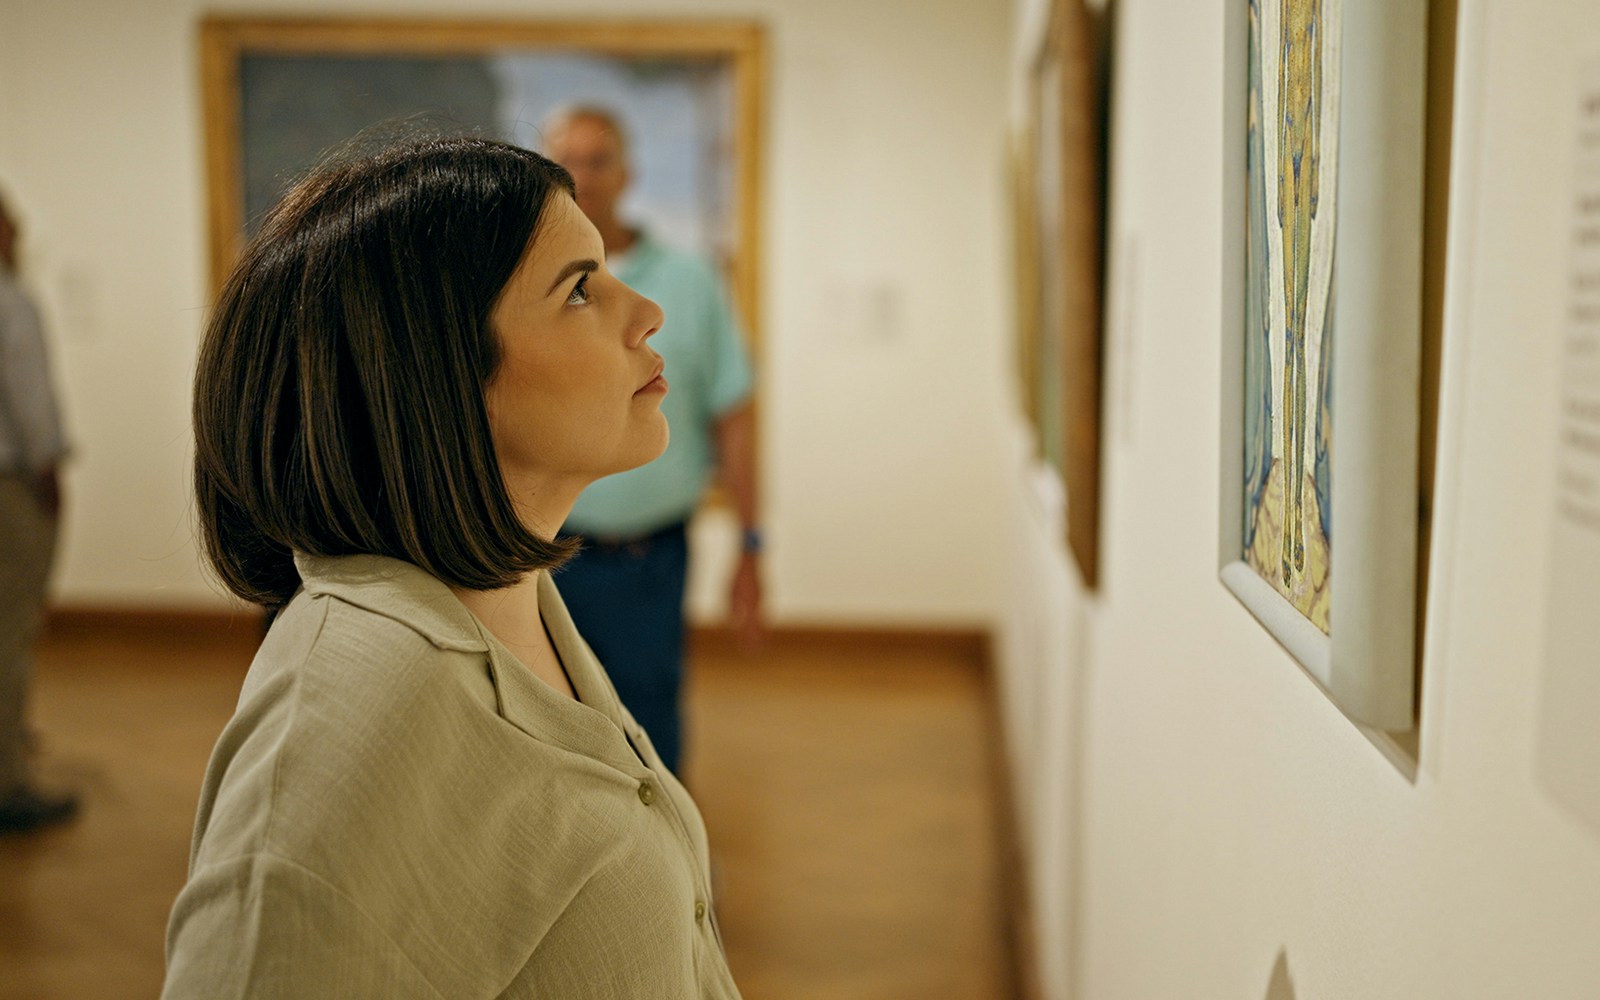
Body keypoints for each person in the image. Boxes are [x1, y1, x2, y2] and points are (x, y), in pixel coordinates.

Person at [162, 135, 741, 998]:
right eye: (579, 289)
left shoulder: (514, 599)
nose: (647, 311)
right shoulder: (349, 717)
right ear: (433, 371)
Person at [542, 106, 762, 776]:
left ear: (628, 173)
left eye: (598, 160)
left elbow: (734, 413)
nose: (584, 177)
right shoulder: (526, 287)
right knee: (550, 729)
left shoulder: (689, 282)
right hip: (544, 556)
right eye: (568, 161)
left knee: (648, 730)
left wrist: (752, 546)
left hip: (650, 560)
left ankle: (663, 844)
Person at [0, 190, 77, 835]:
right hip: (10, 485)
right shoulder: (10, 301)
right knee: (11, 628)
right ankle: (8, 784)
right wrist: (49, 469)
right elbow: (29, 400)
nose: (19, 229)